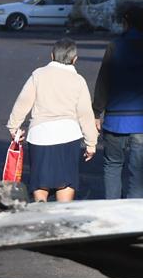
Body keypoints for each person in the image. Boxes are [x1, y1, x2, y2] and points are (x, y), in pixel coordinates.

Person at [6, 38, 98, 203]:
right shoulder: (78, 81)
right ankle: (63, 214)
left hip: (40, 136)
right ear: (74, 59)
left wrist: (14, 127)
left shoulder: (38, 75)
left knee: (40, 182)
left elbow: (23, 101)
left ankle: (41, 213)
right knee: (67, 180)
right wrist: (91, 144)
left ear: (52, 55)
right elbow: (85, 113)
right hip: (68, 135)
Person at [93, 6, 143, 199]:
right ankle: (136, 217)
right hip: (142, 123)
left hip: (115, 121)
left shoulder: (114, 47)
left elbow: (103, 81)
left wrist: (96, 112)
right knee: (138, 172)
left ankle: (112, 211)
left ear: (126, 23)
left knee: (112, 165)